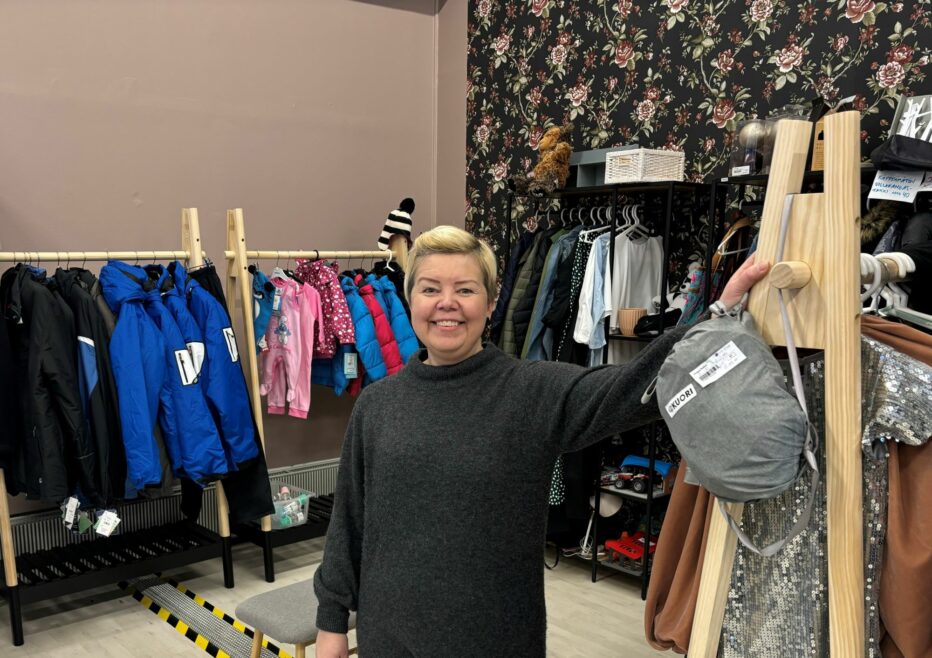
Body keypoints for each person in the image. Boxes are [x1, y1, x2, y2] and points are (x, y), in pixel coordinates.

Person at [313, 225, 769, 657]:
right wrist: (331, 621)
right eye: (430, 289)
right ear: (410, 298)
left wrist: (717, 319)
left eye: (465, 290)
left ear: (492, 302)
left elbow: (630, 388)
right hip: (387, 636)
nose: (446, 303)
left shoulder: (531, 392)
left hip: (495, 640)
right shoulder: (378, 405)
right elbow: (350, 521)